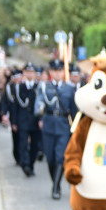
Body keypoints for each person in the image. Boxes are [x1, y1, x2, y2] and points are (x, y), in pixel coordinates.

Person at [36, 59, 77, 200]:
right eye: (55, 71)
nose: (58, 73)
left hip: (63, 126)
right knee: (50, 158)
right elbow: (39, 104)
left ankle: (55, 187)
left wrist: (76, 128)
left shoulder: (70, 89)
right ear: (51, 72)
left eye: (60, 71)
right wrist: (39, 112)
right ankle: (55, 181)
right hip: (48, 124)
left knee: (60, 157)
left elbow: (75, 111)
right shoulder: (44, 87)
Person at [14, 64, 41, 177]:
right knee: (23, 144)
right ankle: (25, 165)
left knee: (35, 145)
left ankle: (31, 164)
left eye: (32, 72)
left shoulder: (39, 87)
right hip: (23, 120)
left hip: (35, 121)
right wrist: (14, 122)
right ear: (24, 73)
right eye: (27, 72)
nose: (30, 74)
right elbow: (15, 106)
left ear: (35, 74)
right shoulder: (19, 87)